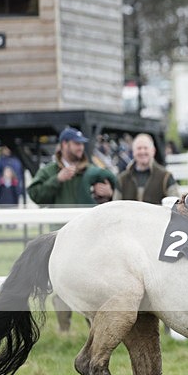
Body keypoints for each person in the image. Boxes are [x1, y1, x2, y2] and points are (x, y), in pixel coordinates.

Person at [28, 127, 117, 332]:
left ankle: (94, 329)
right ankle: (64, 330)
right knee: (61, 282)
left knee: (92, 282)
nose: (80, 147)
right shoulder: (49, 170)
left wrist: (107, 193)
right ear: (64, 145)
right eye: (76, 143)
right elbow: (35, 194)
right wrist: (57, 180)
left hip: (90, 237)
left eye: (81, 143)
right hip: (61, 235)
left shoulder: (91, 169)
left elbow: (105, 194)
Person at [114, 133, 181, 204]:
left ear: (153, 151)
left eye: (146, 148)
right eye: (139, 148)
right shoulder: (122, 179)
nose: (142, 151)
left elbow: (176, 205)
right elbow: (115, 207)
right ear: (133, 152)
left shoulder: (166, 177)